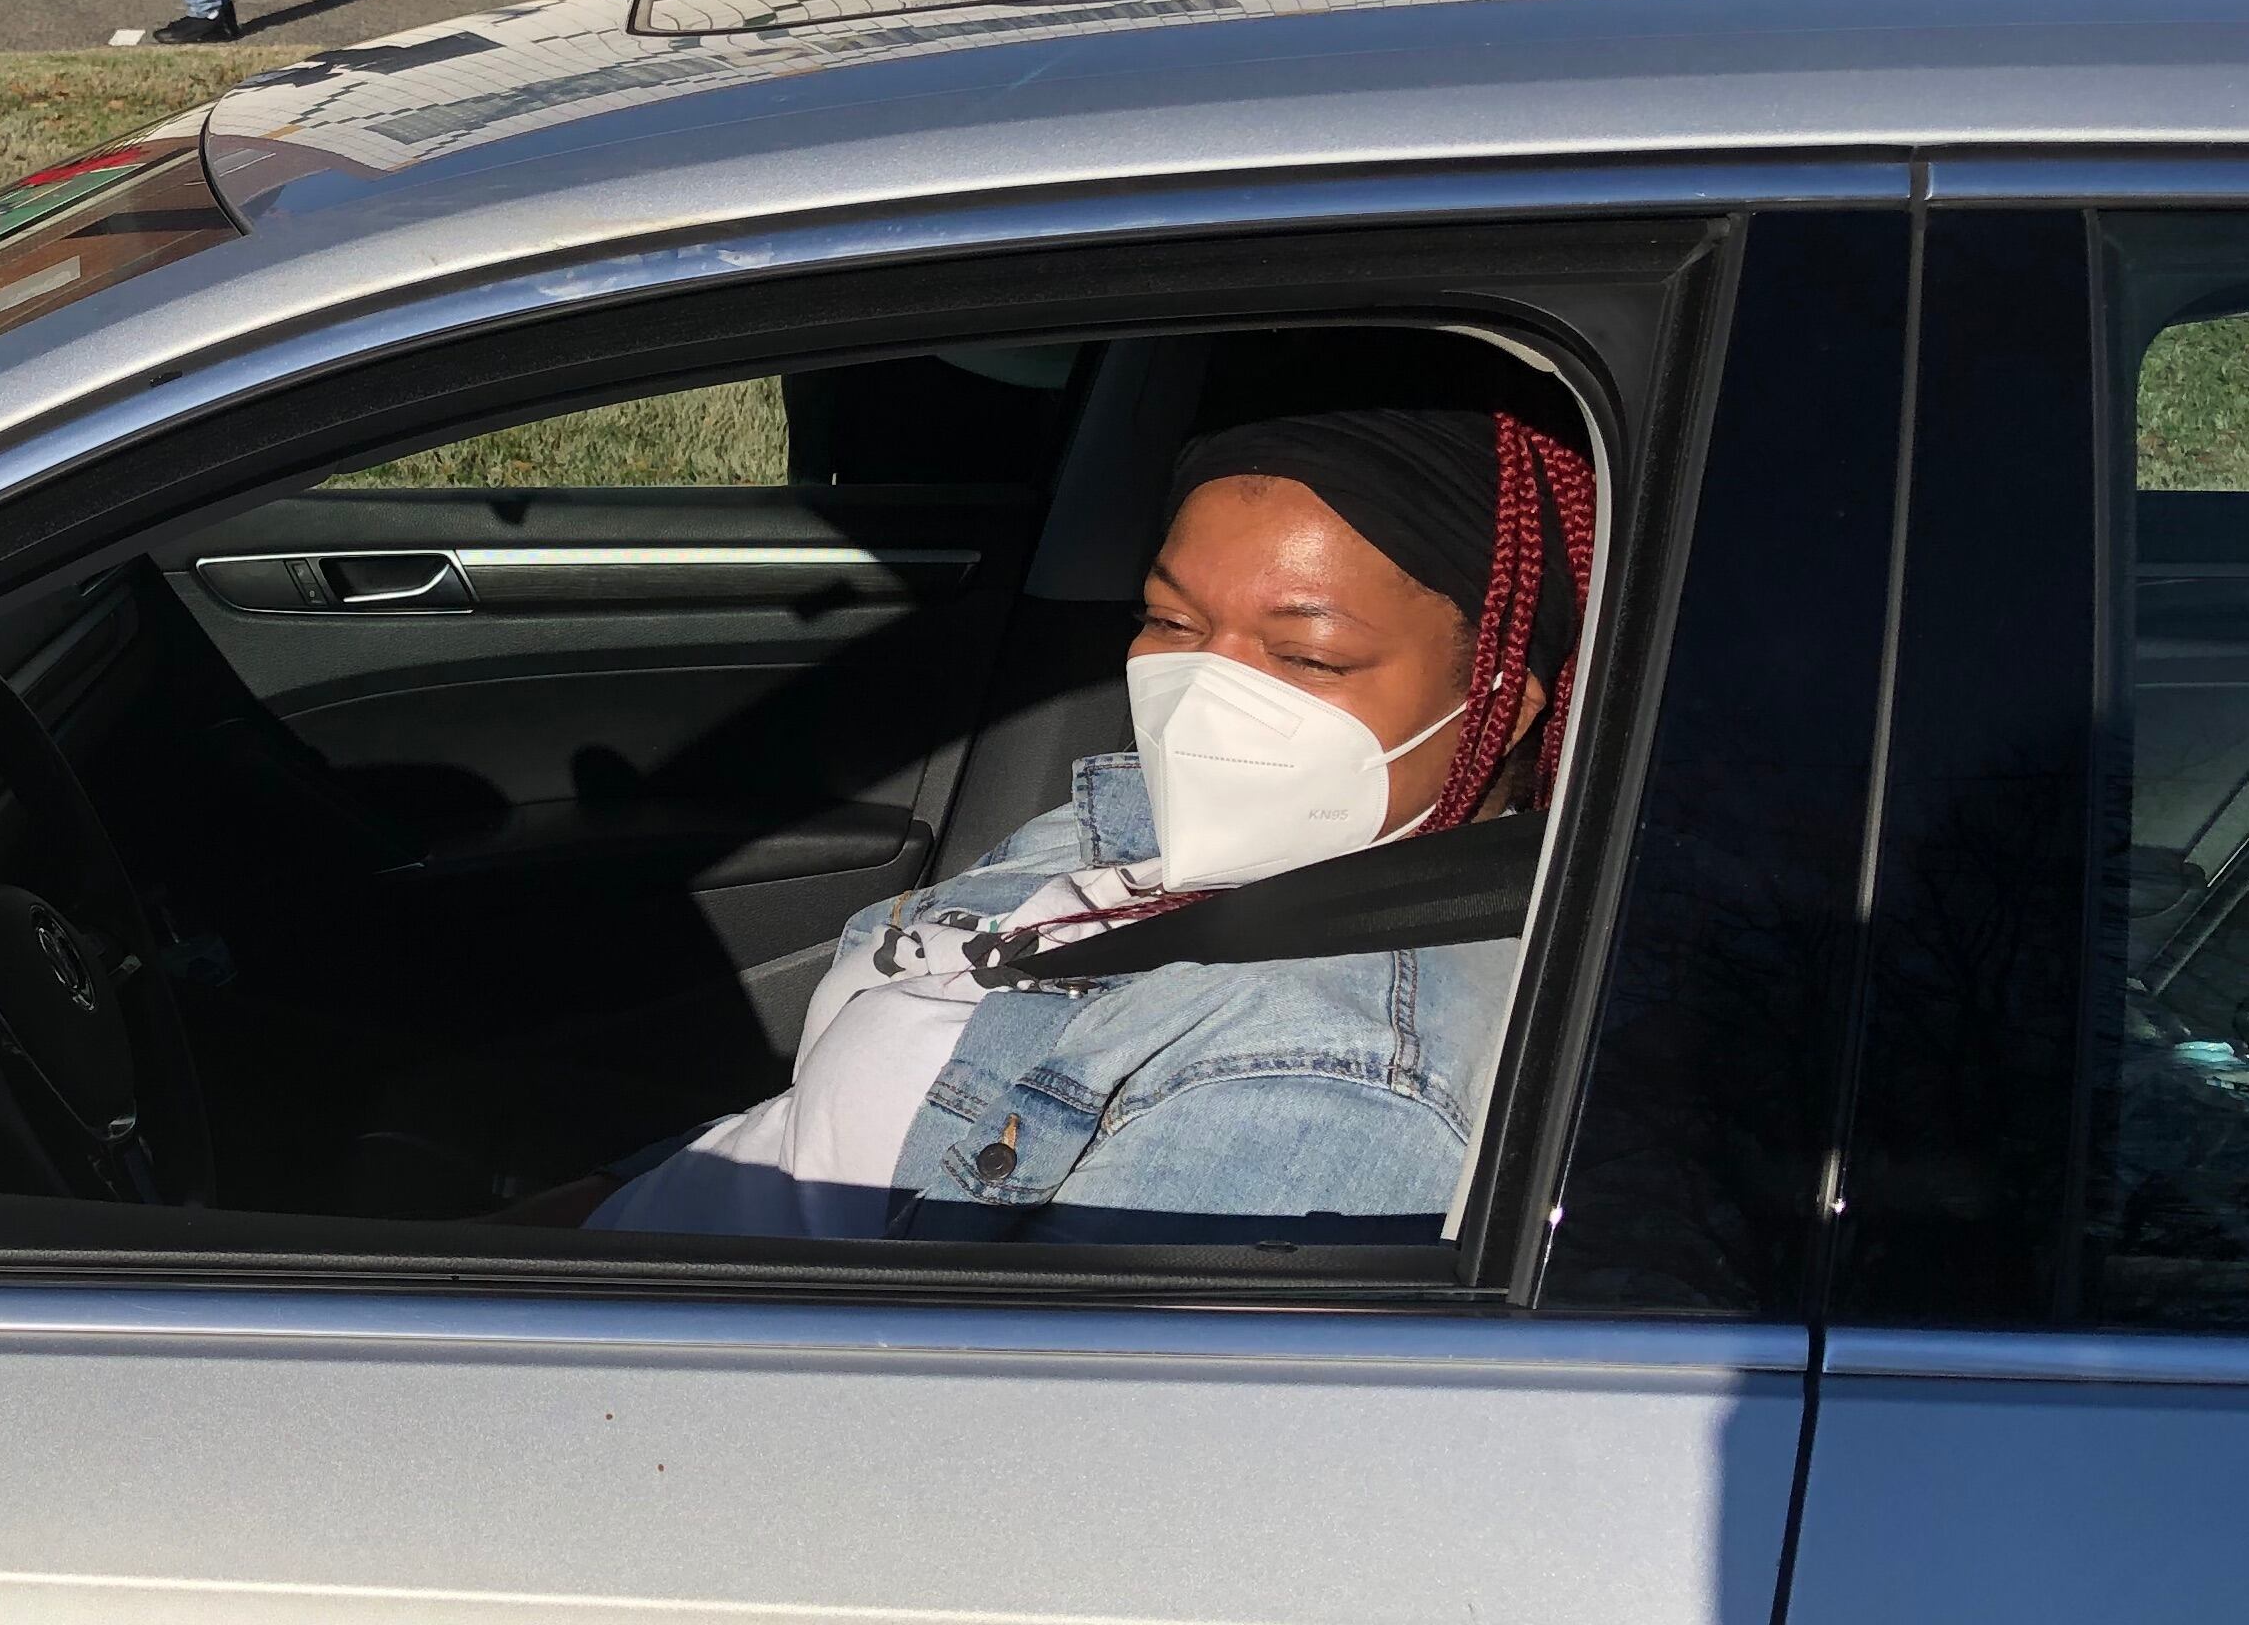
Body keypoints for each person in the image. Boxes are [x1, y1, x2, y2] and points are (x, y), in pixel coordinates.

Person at [583, 403, 1594, 1241]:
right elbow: (809, 1137)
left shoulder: (1333, 1081)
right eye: (1174, 623)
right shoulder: (1138, 826)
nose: (1202, 699)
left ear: (1506, 699)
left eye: (1307, 659)